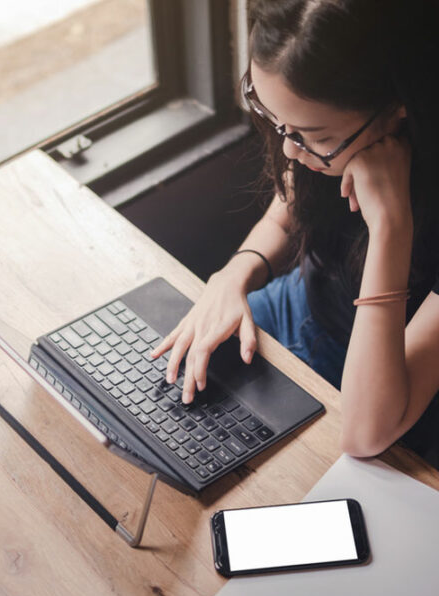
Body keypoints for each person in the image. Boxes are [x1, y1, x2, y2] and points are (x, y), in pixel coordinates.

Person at [151, 0, 439, 468]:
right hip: (298, 306)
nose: (288, 148)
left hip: (380, 382)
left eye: (315, 137)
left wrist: (390, 224)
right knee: (152, 406)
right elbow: (287, 210)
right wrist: (231, 277)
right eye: (273, 118)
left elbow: (366, 433)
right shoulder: (309, 128)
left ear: (398, 106)